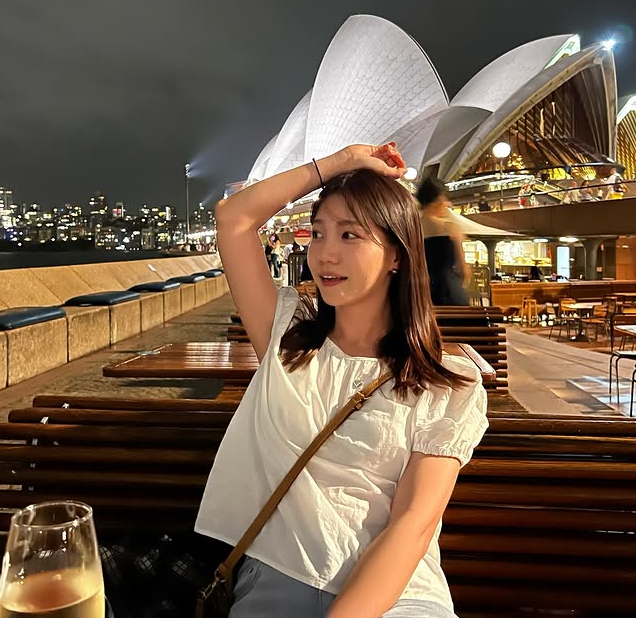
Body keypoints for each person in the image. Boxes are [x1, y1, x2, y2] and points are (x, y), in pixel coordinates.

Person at [195, 142, 488, 618]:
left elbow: (413, 523)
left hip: (398, 590)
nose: (325, 254)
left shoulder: (447, 383)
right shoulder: (287, 337)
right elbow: (234, 219)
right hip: (279, 576)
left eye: (350, 235)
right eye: (318, 233)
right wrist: (342, 162)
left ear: (396, 254)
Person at [416, 177, 470, 306]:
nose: (448, 204)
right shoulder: (450, 227)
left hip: (420, 293)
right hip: (449, 291)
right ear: (438, 200)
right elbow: (464, 270)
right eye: (445, 198)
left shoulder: (413, 229)